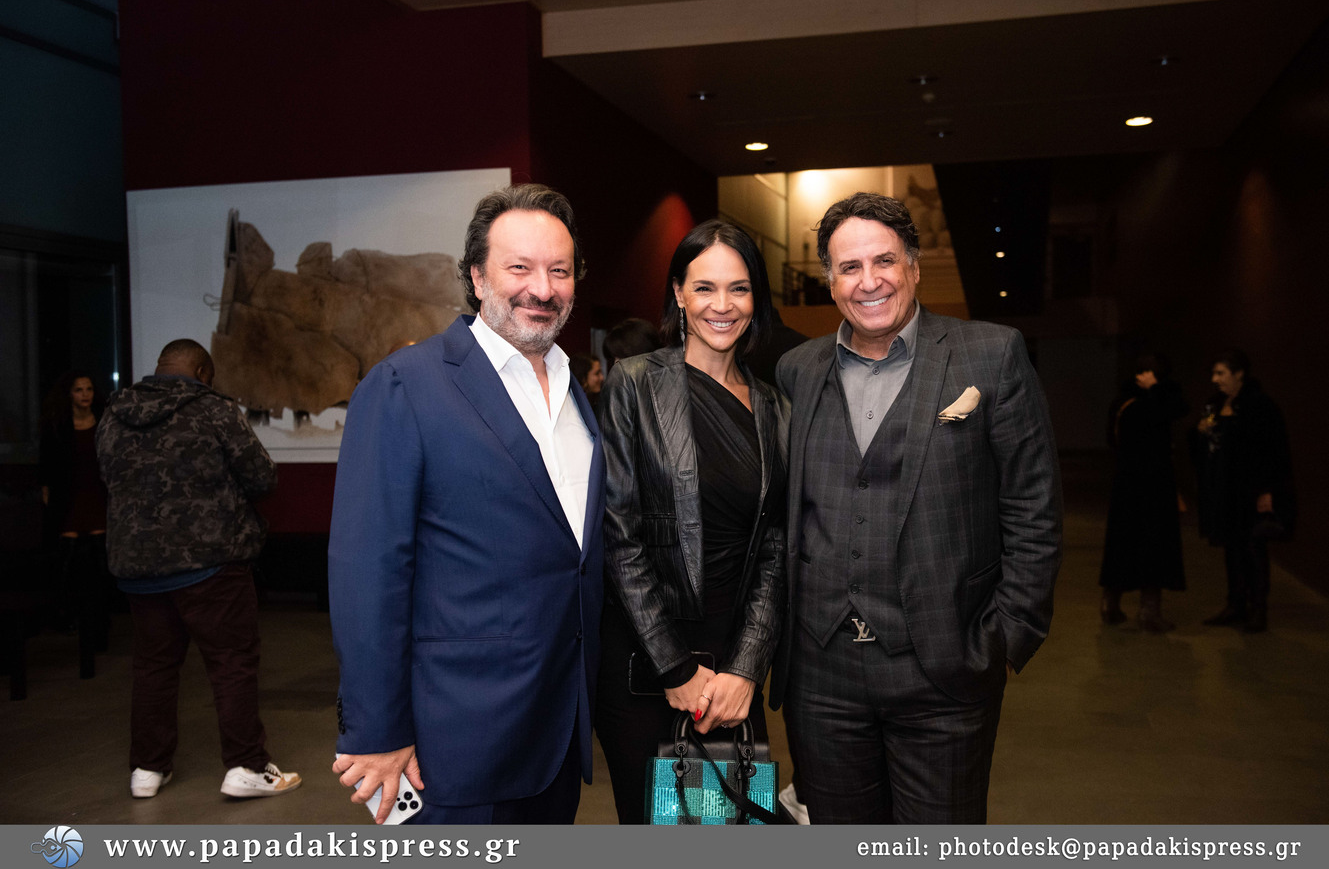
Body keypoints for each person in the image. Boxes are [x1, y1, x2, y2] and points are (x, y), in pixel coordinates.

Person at [771, 192, 1061, 824]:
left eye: (884, 261)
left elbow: (1033, 506)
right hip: (822, 676)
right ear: (830, 280)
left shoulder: (991, 354)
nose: (869, 281)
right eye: (849, 267)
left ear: (914, 266)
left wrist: (1003, 638)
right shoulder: (797, 370)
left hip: (944, 668)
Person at [329, 184, 604, 825]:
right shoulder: (405, 386)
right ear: (477, 277)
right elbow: (367, 572)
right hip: (452, 743)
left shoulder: (577, 394)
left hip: (557, 732)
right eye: (520, 267)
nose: (543, 288)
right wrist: (376, 730)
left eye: (559, 271)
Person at [595, 219, 788, 825]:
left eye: (739, 288)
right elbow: (618, 533)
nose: (721, 305)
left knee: (727, 834)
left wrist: (746, 667)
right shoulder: (634, 382)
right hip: (647, 666)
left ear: (756, 298)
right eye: (704, 287)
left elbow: (776, 547)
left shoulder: (775, 407)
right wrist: (675, 667)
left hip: (731, 671)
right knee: (663, 838)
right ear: (679, 293)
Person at [96, 339, 300, 800]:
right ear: (204, 372)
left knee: (153, 667)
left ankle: (147, 769)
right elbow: (262, 478)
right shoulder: (213, 410)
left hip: (138, 567)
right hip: (211, 564)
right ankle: (247, 766)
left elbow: (108, 478)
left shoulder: (114, 413)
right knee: (231, 664)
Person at [1194, 348, 1294, 633]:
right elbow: (1210, 446)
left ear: (1239, 374)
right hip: (1224, 490)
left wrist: (1269, 491)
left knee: (1252, 548)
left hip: (1249, 491)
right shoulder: (1216, 404)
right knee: (1232, 548)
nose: (1215, 379)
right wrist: (1200, 433)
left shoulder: (1260, 406)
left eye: (1221, 373)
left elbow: (1275, 451)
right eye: (1214, 373)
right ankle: (1235, 604)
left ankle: (1258, 608)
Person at [1099, 353, 1187, 632]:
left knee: (1123, 544)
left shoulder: (1123, 402)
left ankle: (1111, 604)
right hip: (1154, 486)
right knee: (1153, 545)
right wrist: (1156, 389)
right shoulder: (1152, 403)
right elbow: (1176, 409)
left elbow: (1112, 440)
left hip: (1127, 485)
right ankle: (1149, 612)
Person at [38, 370, 111, 641]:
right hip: (68, 496)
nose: (85, 395)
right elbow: (47, 465)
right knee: (66, 560)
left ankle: (100, 620)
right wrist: (47, 493)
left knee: (99, 559)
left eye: (88, 389)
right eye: (79, 390)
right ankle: (64, 615)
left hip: (97, 494)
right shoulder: (58, 426)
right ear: (69, 394)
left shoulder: (103, 422)